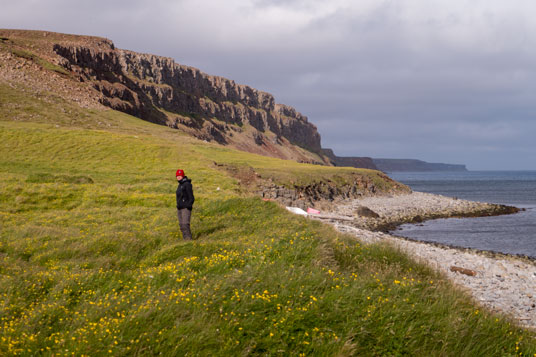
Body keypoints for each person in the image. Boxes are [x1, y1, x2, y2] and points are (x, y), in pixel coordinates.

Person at [175, 169, 194, 240]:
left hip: (185, 208)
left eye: (180, 176)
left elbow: (191, 197)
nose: (178, 177)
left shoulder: (187, 184)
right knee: (181, 225)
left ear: (183, 176)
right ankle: (185, 240)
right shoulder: (180, 185)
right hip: (179, 208)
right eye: (177, 176)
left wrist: (188, 205)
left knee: (185, 224)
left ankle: (188, 240)